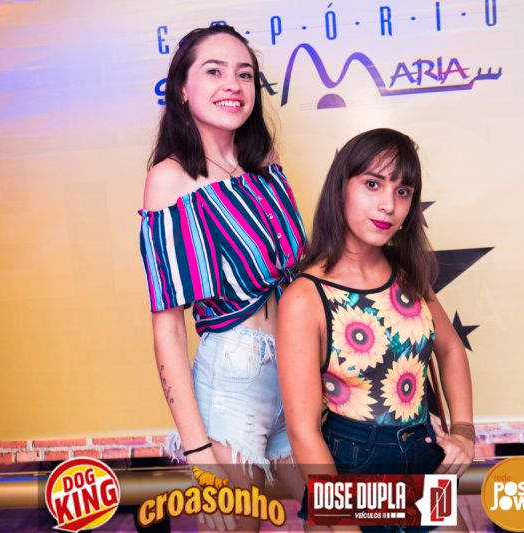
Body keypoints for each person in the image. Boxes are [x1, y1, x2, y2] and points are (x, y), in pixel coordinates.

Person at [138, 24, 306, 531]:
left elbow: (303, 279)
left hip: (297, 373)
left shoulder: (265, 165)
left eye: (245, 74)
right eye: (214, 71)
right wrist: (198, 450)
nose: (233, 84)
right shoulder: (169, 180)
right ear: (181, 89)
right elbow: (168, 328)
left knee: (345, 511)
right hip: (232, 385)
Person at [277, 128, 475, 531]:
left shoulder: (407, 274)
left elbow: (451, 349)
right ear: (341, 188)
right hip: (348, 468)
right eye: (373, 184)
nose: (389, 204)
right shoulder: (305, 297)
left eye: (403, 191)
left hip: (423, 454)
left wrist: (464, 431)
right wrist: (340, 520)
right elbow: (303, 432)